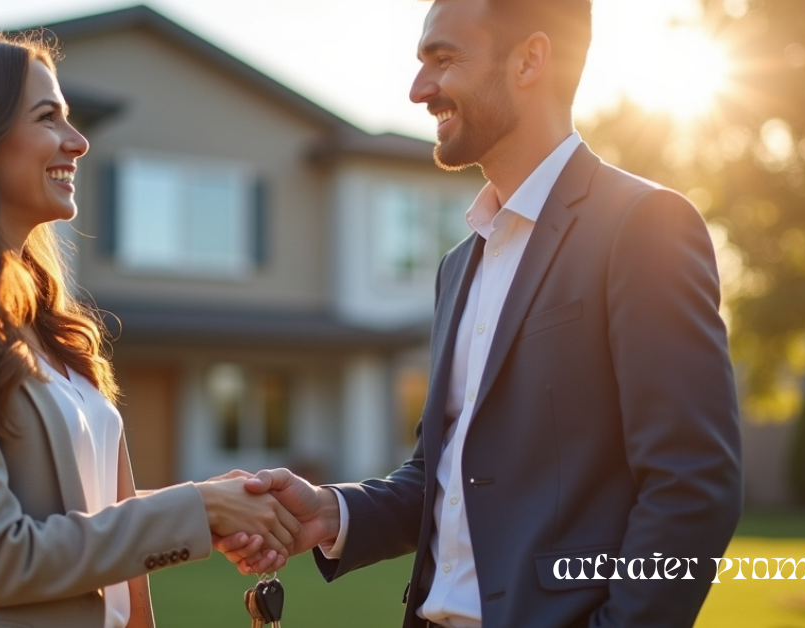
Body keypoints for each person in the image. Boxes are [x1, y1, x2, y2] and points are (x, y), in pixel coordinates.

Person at [222, 1, 743, 626]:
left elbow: (692, 485)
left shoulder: (643, 225)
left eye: (444, 60)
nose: (419, 89)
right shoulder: (458, 266)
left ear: (530, 60)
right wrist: (332, 511)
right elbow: (443, 475)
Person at [0, 35, 295, 628]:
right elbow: (2, 557)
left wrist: (214, 507)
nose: (79, 141)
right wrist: (197, 509)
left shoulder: (45, 326)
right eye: (48, 117)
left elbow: (83, 514)